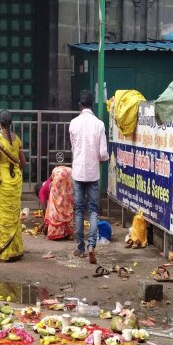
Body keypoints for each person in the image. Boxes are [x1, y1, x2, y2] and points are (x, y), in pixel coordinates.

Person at [70, 90, 109, 265]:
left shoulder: (73, 123)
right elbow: (102, 153)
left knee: (79, 210)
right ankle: (92, 245)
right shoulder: (99, 124)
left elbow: (73, 148)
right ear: (92, 105)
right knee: (93, 210)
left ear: (80, 104)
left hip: (78, 172)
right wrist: (98, 161)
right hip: (93, 173)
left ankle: (80, 248)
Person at [0, 109, 25, 262]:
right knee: (14, 216)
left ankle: (5, 252)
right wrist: (16, 169)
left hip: (3, 181)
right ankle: (16, 251)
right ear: (11, 123)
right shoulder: (17, 139)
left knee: (4, 217)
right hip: (15, 181)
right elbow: (23, 163)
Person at [44, 165, 75, 241]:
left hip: (59, 183)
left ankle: (56, 233)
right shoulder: (70, 170)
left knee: (55, 206)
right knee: (67, 206)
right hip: (69, 185)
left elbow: (51, 181)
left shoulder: (55, 170)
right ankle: (68, 233)